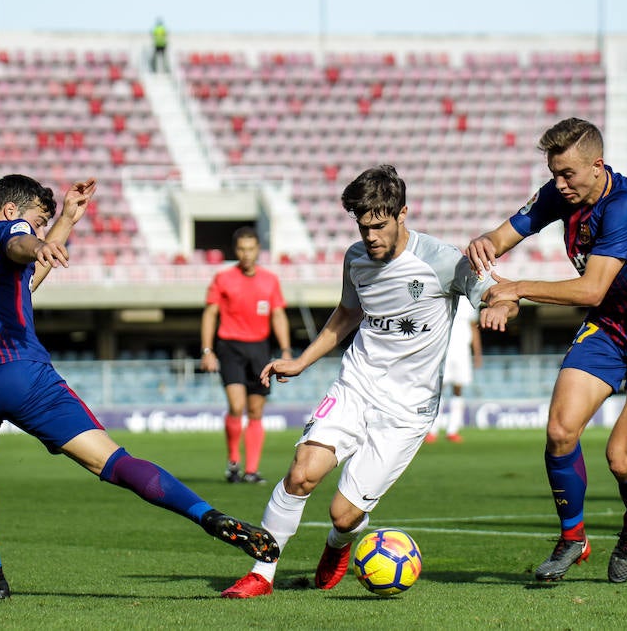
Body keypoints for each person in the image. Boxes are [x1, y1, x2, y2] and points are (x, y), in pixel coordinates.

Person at [0, 174, 278, 600]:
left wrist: (64, 222)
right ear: (11, 211)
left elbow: (20, 286)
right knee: (112, 461)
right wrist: (38, 242)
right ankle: (206, 516)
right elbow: (19, 244)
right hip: (21, 375)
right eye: (37, 222)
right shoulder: (13, 231)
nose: (40, 231)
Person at [219, 164, 496, 598]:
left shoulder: (442, 261)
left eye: (379, 225)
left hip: (406, 410)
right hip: (355, 385)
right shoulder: (355, 258)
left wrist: (500, 306)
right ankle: (261, 573)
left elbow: (493, 293)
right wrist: (302, 361)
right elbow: (348, 313)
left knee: (342, 514)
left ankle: (339, 543)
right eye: (362, 226)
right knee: (301, 473)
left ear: (403, 214)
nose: (370, 236)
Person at [468, 118, 627, 583]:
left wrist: (516, 290)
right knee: (559, 431)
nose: (558, 183)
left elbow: (591, 289)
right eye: (553, 172)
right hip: (610, 330)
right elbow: (499, 239)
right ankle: (574, 538)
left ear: (597, 165)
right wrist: (483, 248)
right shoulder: (559, 194)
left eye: (567, 173)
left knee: (622, 459)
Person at [200, 226, 291, 484]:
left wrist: (285, 350)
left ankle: (251, 471)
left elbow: (278, 315)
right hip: (230, 347)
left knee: (255, 410)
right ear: (235, 250)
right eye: (242, 248)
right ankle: (233, 463)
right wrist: (207, 350)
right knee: (237, 406)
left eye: (251, 248)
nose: (247, 253)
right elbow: (210, 313)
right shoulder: (223, 278)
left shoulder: (270, 280)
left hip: (260, 349)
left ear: (258, 250)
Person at [425, 298, 482, 443]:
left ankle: (453, 430)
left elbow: (473, 327)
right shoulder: (444, 297)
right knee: (439, 389)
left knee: (458, 389)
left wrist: (477, 353)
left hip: (462, 351)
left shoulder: (469, 301)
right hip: (444, 349)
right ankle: (432, 430)